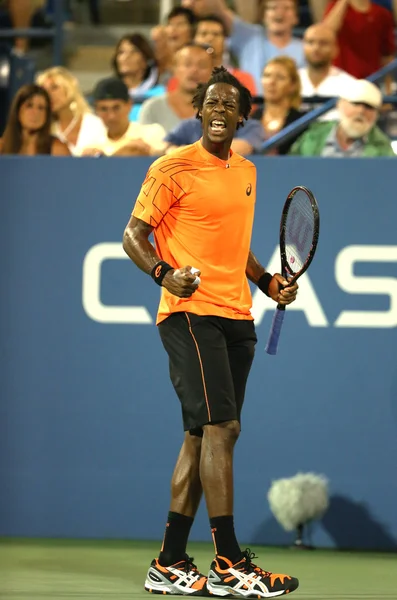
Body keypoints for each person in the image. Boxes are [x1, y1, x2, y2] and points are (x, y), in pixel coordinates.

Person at [123, 66, 300, 598]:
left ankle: (169, 562)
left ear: (243, 116)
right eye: (211, 103)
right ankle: (229, 561)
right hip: (189, 311)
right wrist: (164, 273)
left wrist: (267, 281)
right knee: (223, 429)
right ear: (197, 112)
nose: (220, 111)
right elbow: (133, 236)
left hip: (237, 316)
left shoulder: (247, 171)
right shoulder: (171, 167)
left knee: (201, 436)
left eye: (230, 105)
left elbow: (231, 245)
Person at [181, 0, 305, 92]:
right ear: (263, 15)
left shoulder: (305, 48)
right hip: (249, 108)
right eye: (272, 8)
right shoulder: (249, 36)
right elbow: (220, 10)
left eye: (287, 8)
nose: (280, 13)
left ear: (296, 17)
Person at [289, 79, 396, 156]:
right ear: (340, 104)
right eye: (355, 103)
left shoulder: (383, 149)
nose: (361, 111)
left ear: (376, 115)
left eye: (369, 107)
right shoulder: (312, 136)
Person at [138, 43, 213, 134]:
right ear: (174, 69)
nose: (194, 70)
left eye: (202, 65)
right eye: (187, 64)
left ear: (212, 72)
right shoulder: (152, 108)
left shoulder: (223, 111)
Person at [82, 77, 166, 157]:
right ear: (96, 110)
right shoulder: (92, 143)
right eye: (104, 109)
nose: (111, 116)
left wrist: (151, 152)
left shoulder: (151, 134)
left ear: (129, 105)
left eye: (116, 108)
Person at [37, 67, 107, 156]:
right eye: (44, 90)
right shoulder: (44, 130)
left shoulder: (95, 124)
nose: (49, 94)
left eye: (54, 87)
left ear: (69, 89)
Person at [322, 0, 395, 80]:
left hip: (372, 78)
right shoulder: (335, 7)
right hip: (342, 77)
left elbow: (386, 54)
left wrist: (388, 84)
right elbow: (326, 33)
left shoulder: (382, 14)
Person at [299, 23, 356, 120]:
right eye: (310, 42)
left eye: (323, 43)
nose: (316, 48)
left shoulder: (350, 85)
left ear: (335, 49)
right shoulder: (290, 80)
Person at [252, 56, 305, 154]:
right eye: (267, 76)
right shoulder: (251, 118)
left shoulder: (302, 121)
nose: (271, 82)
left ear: (292, 85)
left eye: (280, 77)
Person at [193, 14, 257, 96]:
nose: (210, 38)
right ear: (193, 39)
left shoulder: (243, 79)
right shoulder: (185, 78)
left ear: (225, 41)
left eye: (216, 34)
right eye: (204, 34)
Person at [0, 83, 70, 155]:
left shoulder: (58, 149)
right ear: (17, 110)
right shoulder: (2, 147)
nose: (35, 113)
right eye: (29, 106)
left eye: (41, 108)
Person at [111, 33, 165, 121]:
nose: (126, 57)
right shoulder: (108, 93)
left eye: (133, 52)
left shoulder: (160, 94)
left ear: (146, 60)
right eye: (121, 52)